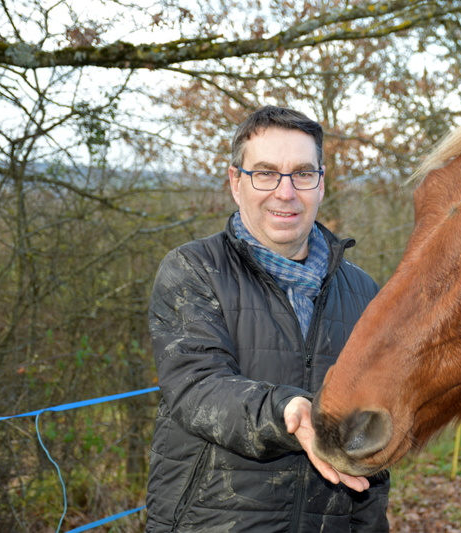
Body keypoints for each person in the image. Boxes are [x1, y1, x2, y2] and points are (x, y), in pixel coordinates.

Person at [145, 105, 389, 532]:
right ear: (236, 182)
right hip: (213, 521)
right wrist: (288, 411)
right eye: (265, 173)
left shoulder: (364, 292)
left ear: (321, 183)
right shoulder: (193, 270)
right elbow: (196, 387)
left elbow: (371, 435)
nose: (285, 191)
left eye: (302, 173)